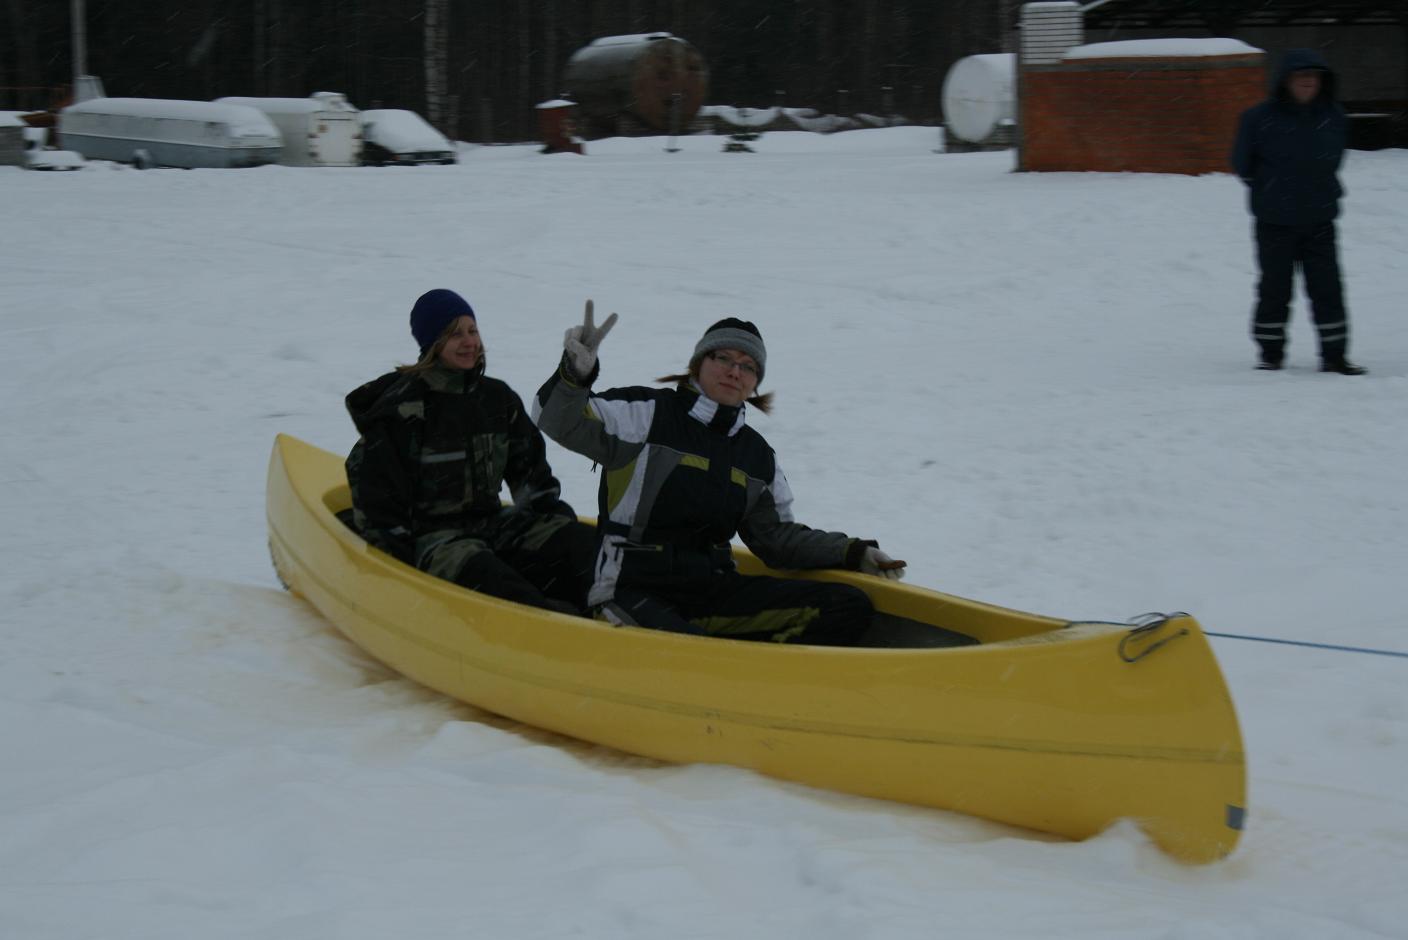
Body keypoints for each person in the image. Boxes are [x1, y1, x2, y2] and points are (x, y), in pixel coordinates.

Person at [531, 301, 906, 646]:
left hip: (711, 589)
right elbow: (555, 419)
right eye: (722, 357)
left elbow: (776, 539)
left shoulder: (758, 457)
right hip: (630, 588)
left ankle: (761, 682)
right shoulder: (646, 414)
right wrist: (573, 375)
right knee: (688, 651)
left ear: (756, 382)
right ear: (698, 363)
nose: (734, 371)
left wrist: (851, 551)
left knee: (848, 606)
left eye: (747, 366)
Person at [344, 288, 596, 614]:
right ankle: (552, 630)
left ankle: (621, 614)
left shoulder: (496, 399)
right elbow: (377, 496)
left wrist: (558, 534)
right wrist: (400, 576)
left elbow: (532, 476)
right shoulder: (405, 408)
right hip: (435, 540)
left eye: (472, 331)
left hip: (491, 525)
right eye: (454, 334)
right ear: (432, 344)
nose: (469, 342)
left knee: (586, 547)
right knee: (495, 584)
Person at [1231, 48, 1365, 375]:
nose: (1308, 83)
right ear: (1286, 80)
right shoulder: (1258, 118)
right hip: (1275, 221)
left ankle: (1334, 356)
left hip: (1320, 219)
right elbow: (1241, 163)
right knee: (1275, 288)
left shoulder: (1333, 116)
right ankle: (1271, 354)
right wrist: (1270, 189)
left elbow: (1334, 159)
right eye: (1301, 77)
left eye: (1314, 77)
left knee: (1328, 288)